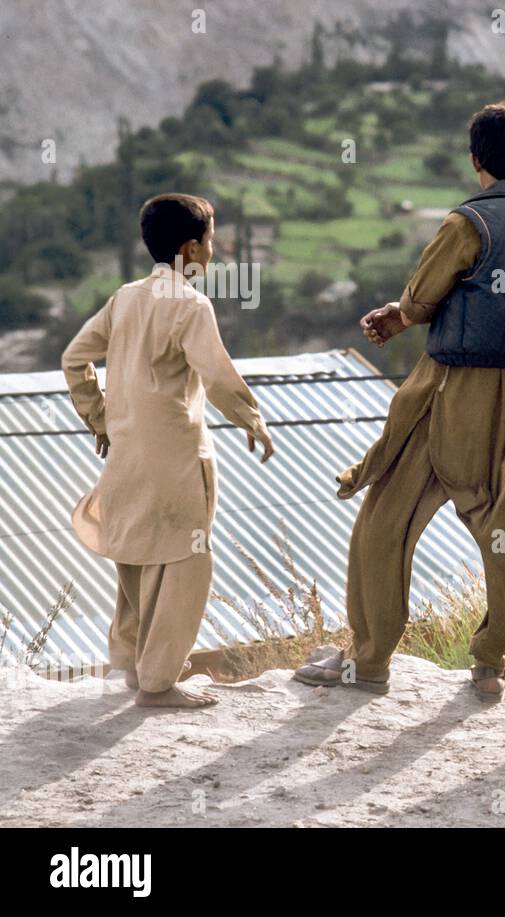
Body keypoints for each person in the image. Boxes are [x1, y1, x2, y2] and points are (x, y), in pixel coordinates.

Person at [293, 102, 505, 701]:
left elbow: (422, 300)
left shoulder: (467, 223)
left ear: (475, 160)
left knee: (386, 520)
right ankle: (491, 660)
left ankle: (369, 661)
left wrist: (398, 316)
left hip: (453, 393)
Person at [62, 193, 275, 709]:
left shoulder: (126, 297)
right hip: (178, 457)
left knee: (136, 556)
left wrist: (99, 417)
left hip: (128, 453)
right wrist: (252, 418)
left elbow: (74, 358)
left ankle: (131, 666)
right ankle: (158, 682)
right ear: (189, 249)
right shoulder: (190, 304)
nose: (214, 248)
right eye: (210, 240)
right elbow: (217, 374)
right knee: (186, 562)